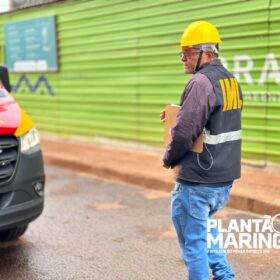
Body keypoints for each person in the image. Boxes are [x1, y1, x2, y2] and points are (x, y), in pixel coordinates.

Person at [160, 21, 242, 280]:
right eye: (182, 52)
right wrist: (176, 114)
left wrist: (169, 157)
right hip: (222, 180)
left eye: (188, 52)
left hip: (197, 181)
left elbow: (185, 133)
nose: (183, 57)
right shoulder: (231, 81)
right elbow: (215, 121)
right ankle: (224, 275)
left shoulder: (200, 82)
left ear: (207, 52)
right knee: (205, 229)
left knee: (193, 244)